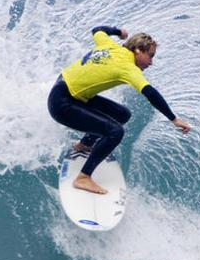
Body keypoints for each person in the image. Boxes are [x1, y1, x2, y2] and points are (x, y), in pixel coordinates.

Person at [47, 26, 191, 194]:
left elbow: (97, 31)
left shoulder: (110, 45)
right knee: (115, 131)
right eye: (150, 56)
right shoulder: (128, 67)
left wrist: (118, 32)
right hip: (62, 104)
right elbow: (150, 93)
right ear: (138, 50)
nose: (151, 62)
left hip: (64, 91)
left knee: (122, 114)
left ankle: (84, 145)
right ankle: (83, 178)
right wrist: (174, 119)